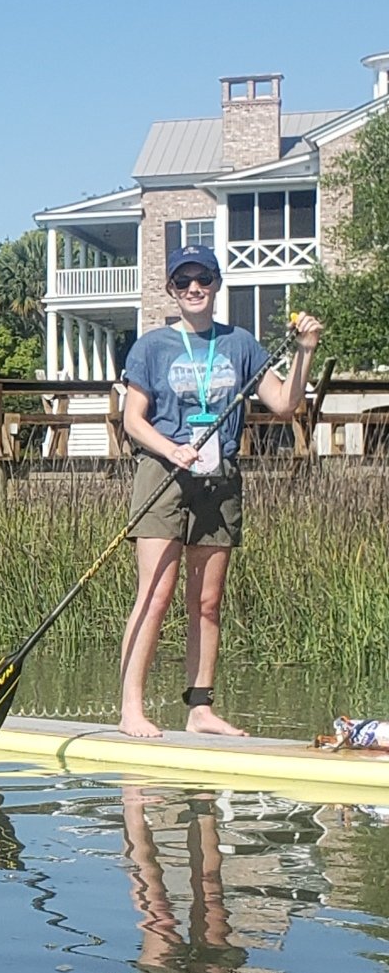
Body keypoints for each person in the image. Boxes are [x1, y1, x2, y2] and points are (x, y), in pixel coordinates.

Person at [118, 245, 321, 738]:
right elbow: (133, 420)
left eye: (203, 278)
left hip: (220, 477)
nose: (194, 287)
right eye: (184, 280)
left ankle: (200, 707)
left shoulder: (241, 344)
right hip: (163, 476)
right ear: (171, 288)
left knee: (207, 601)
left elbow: (285, 405)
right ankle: (130, 710)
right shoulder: (152, 346)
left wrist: (305, 352)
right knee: (156, 593)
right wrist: (172, 449)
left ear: (215, 284)